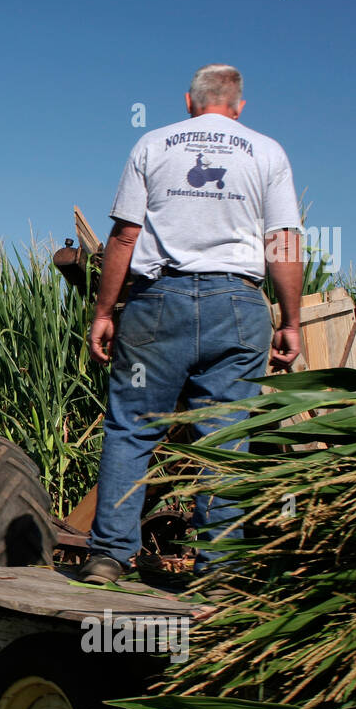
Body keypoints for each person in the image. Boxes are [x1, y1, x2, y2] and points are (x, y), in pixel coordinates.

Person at [78, 64, 304, 584]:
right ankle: (220, 568)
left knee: (131, 428)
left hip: (159, 303)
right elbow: (284, 241)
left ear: (189, 102)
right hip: (239, 306)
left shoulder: (153, 145)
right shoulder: (267, 151)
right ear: (239, 105)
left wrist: (104, 312)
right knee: (226, 438)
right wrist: (289, 320)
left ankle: (109, 556)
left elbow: (125, 237)